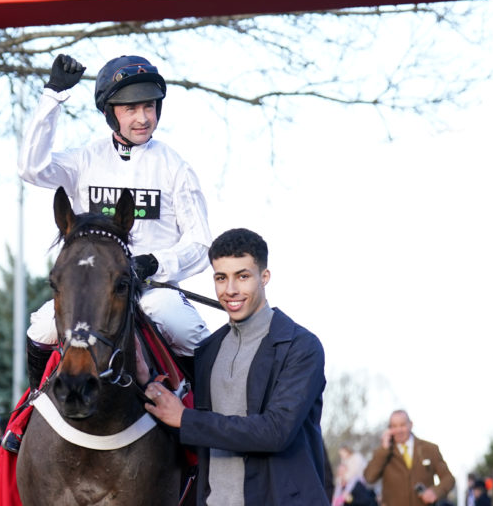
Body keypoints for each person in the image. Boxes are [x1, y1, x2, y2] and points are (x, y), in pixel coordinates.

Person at [18, 53, 212, 390]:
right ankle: (29, 410)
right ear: (110, 113)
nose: (143, 118)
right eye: (131, 109)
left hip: (153, 291)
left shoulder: (175, 167)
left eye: (149, 107)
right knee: (41, 330)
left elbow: (200, 243)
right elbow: (31, 168)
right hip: (90, 291)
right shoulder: (84, 160)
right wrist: (52, 96)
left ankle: (207, 431)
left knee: (188, 331)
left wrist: (154, 263)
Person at [143, 228, 328, 505]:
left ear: (264, 278)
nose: (230, 290)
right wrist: (149, 385)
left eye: (242, 276)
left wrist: (185, 418)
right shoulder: (208, 350)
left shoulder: (301, 347)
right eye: (221, 278)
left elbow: (275, 432)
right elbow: (203, 436)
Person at [363, 409, 456, 506]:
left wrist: (436, 491)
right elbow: (369, 477)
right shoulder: (383, 454)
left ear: (410, 424)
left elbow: (449, 478)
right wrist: (384, 449)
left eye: (402, 425)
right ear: (389, 429)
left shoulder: (429, 449)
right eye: (394, 426)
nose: (398, 430)